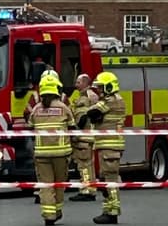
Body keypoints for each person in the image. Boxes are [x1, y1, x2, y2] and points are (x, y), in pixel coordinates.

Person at [30, 71, 76, 226]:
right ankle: (57, 211)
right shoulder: (63, 107)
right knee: (59, 184)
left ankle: (48, 216)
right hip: (61, 154)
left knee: (46, 185)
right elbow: (73, 126)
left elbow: (29, 126)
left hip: (42, 154)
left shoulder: (36, 109)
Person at [84, 71, 125, 225]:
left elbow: (92, 112)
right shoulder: (111, 100)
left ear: (109, 87)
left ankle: (112, 212)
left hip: (110, 146)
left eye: (101, 88)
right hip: (107, 146)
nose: (99, 91)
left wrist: (95, 112)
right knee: (105, 180)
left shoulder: (112, 100)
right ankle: (108, 210)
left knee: (110, 180)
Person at [68, 73, 100, 202]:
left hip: (85, 137)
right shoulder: (81, 96)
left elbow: (91, 114)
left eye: (78, 82)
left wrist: (80, 124)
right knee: (84, 165)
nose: (76, 85)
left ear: (86, 83)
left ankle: (87, 190)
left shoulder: (90, 96)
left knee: (84, 165)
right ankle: (88, 188)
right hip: (81, 137)